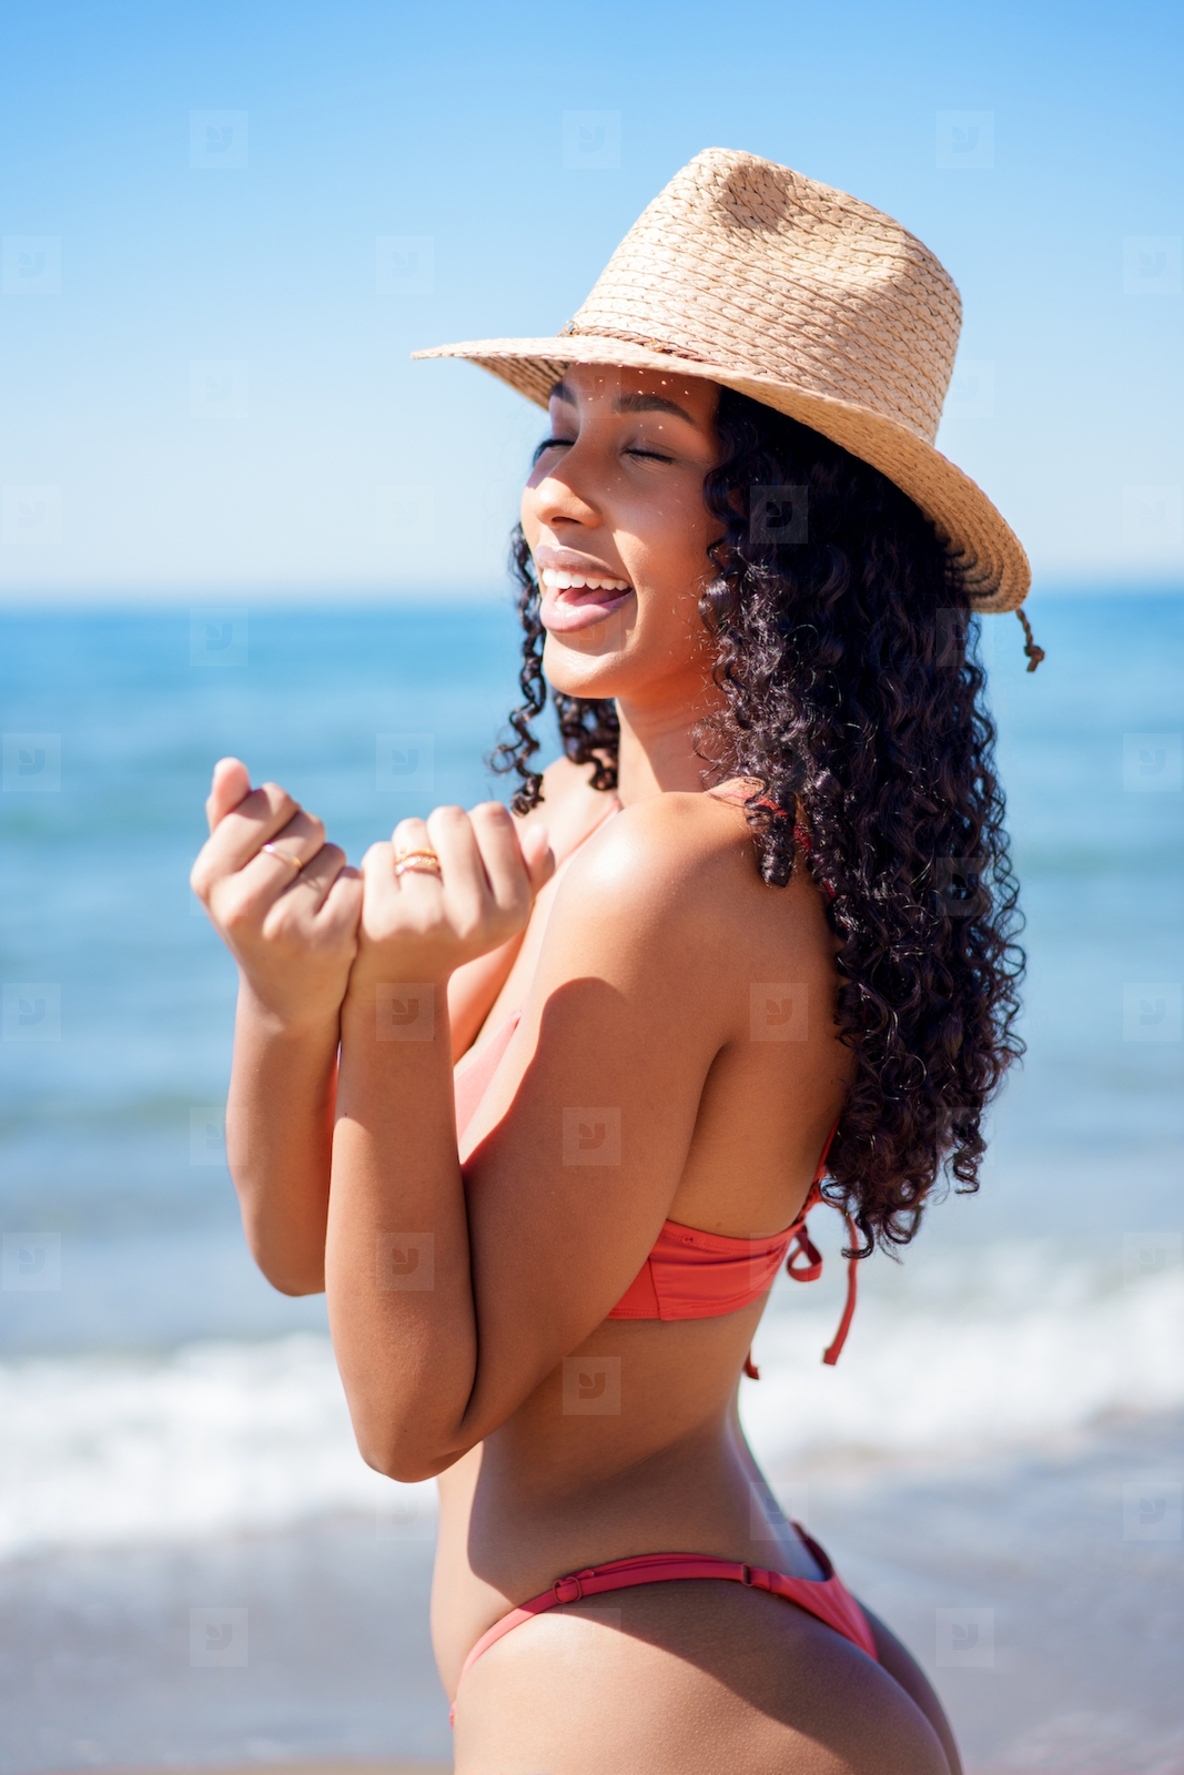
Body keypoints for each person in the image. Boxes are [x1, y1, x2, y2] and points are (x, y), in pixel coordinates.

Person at [190, 149, 1032, 1774]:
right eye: (554, 427)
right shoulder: (582, 815)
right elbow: (322, 1253)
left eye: (644, 447)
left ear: (797, 533)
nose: (561, 488)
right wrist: (290, 1005)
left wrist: (394, 1009)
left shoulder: (682, 875)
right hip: (709, 1630)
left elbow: (409, 1416)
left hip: (652, 1683)